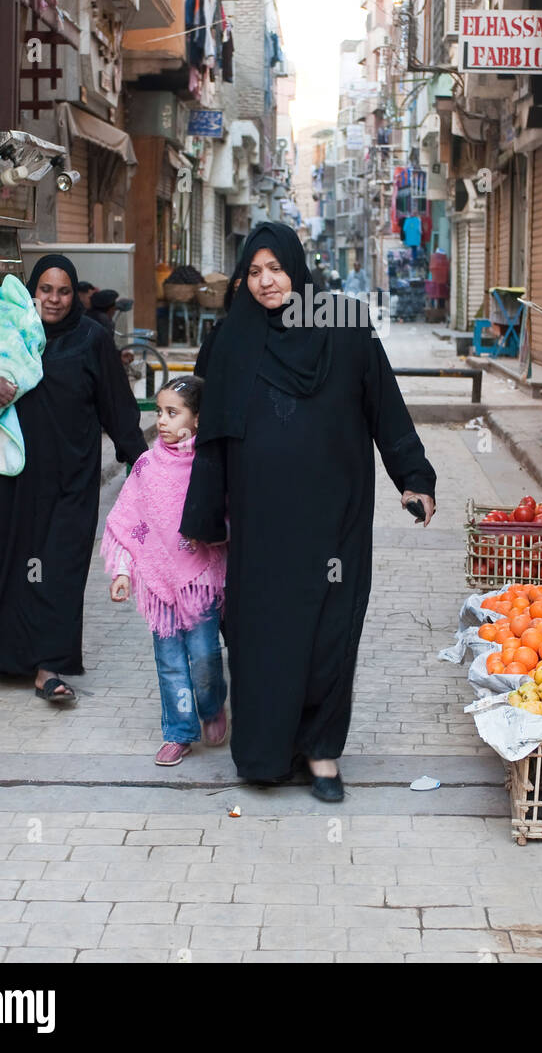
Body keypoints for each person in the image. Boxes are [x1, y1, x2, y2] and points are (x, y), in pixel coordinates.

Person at [180, 221, 436, 802]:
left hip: (334, 517)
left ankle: (321, 755)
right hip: (259, 524)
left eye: (276, 269)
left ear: (298, 269)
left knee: (327, 633)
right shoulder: (229, 340)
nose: (267, 282)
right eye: (254, 271)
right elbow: (210, 439)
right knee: (260, 635)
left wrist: (414, 477)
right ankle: (266, 755)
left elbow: (385, 408)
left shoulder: (344, 331)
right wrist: (199, 518)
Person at [0, 254, 146, 703]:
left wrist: (143, 466)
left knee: (59, 566)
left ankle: (50, 666)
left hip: (70, 479)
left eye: (63, 291)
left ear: (75, 295)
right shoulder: (4, 326)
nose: (54, 300)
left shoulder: (91, 337)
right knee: (11, 563)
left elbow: (117, 405)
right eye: (45, 290)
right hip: (11, 476)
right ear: (32, 290)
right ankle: (12, 657)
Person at [103, 376, 228, 765]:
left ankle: (211, 706)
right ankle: (178, 732)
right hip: (158, 586)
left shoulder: (212, 465)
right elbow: (128, 523)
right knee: (171, 662)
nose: (162, 421)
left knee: (205, 656)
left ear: (197, 419)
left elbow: (230, 517)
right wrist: (123, 572)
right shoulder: (145, 467)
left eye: (173, 413)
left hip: (200, 582)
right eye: (159, 412)